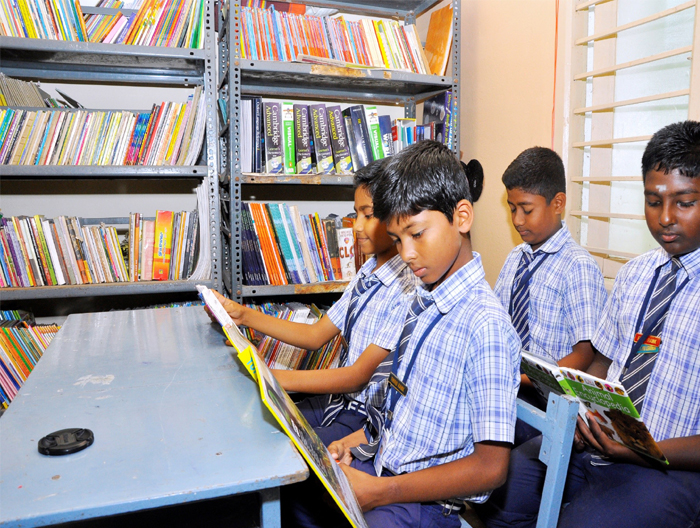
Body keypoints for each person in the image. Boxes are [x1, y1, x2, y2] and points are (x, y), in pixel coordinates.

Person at [284, 140, 521, 528]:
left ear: (462, 217)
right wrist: (356, 441)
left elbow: (491, 468)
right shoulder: (421, 301)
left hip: (423, 502)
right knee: (293, 488)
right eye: (397, 239)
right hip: (382, 466)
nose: (407, 254)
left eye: (417, 234)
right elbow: (401, 414)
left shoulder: (485, 326)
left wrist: (381, 491)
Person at [476, 121, 700, 528]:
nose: (665, 217)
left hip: (669, 466)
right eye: (653, 201)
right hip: (599, 439)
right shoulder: (635, 275)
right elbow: (601, 361)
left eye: (684, 202)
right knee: (502, 491)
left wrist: (638, 450)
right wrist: (582, 411)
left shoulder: (578, 267)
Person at [208, 158, 418, 445]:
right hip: (336, 402)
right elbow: (315, 335)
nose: (356, 226)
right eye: (355, 213)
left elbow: (358, 376)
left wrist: (270, 377)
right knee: (253, 423)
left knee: (279, 446)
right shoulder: (368, 270)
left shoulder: (407, 288)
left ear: (396, 216)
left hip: (361, 416)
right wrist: (242, 315)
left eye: (368, 215)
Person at [495, 147, 607, 444]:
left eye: (526, 209)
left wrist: (523, 379)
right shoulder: (515, 258)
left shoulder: (577, 266)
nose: (517, 220)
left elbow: (585, 355)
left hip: (548, 400)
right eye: (512, 208)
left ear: (557, 203)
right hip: (508, 387)